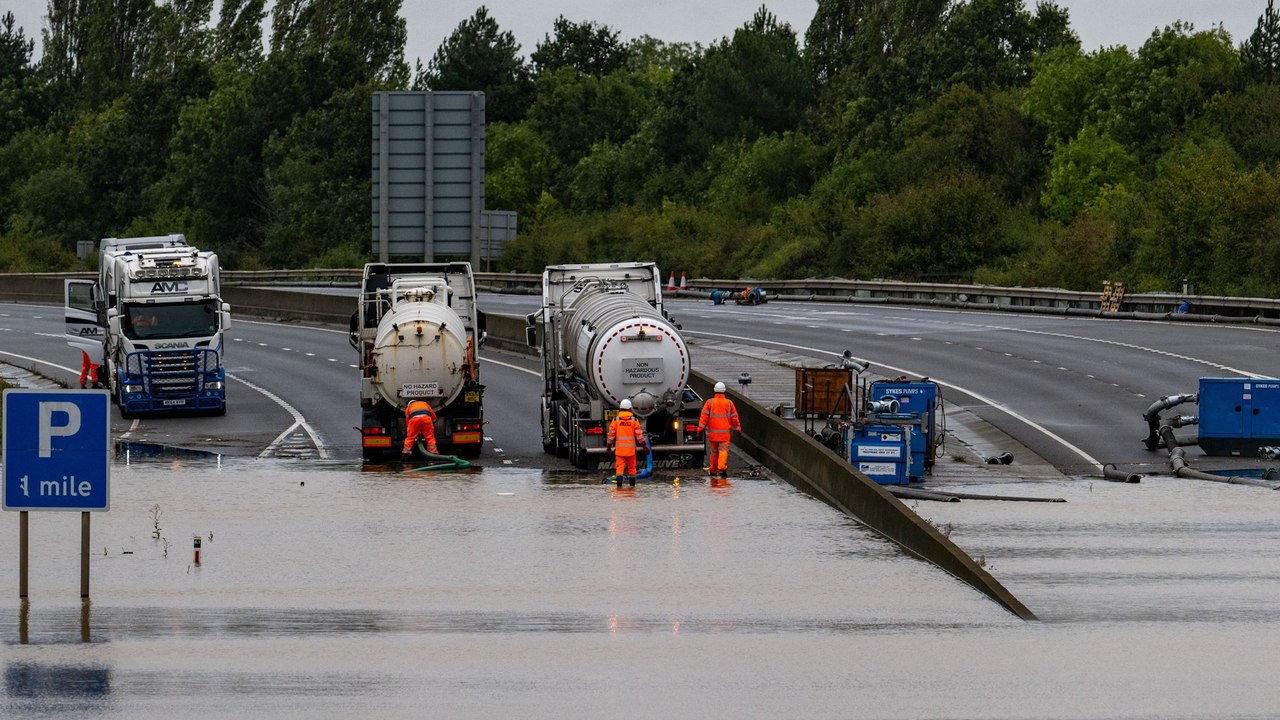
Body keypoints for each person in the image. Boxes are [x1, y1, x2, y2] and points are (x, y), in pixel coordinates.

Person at [698, 381, 742, 479]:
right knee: (723, 451)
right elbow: (735, 418)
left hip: (713, 434)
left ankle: (713, 471)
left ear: (714, 390)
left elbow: (703, 417)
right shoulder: (729, 403)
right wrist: (738, 429)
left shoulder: (710, 402)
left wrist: (699, 429)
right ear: (724, 391)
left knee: (713, 452)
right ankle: (722, 468)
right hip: (724, 435)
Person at [607, 398, 648, 487]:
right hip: (631, 451)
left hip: (620, 451)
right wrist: (645, 447)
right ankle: (632, 489)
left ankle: (619, 489)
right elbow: (639, 436)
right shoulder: (634, 420)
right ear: (630, 409)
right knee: (632, 470)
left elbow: (611, 436)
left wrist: (609, 447)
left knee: (619, 470)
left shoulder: (616, 420)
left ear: (620, 408)